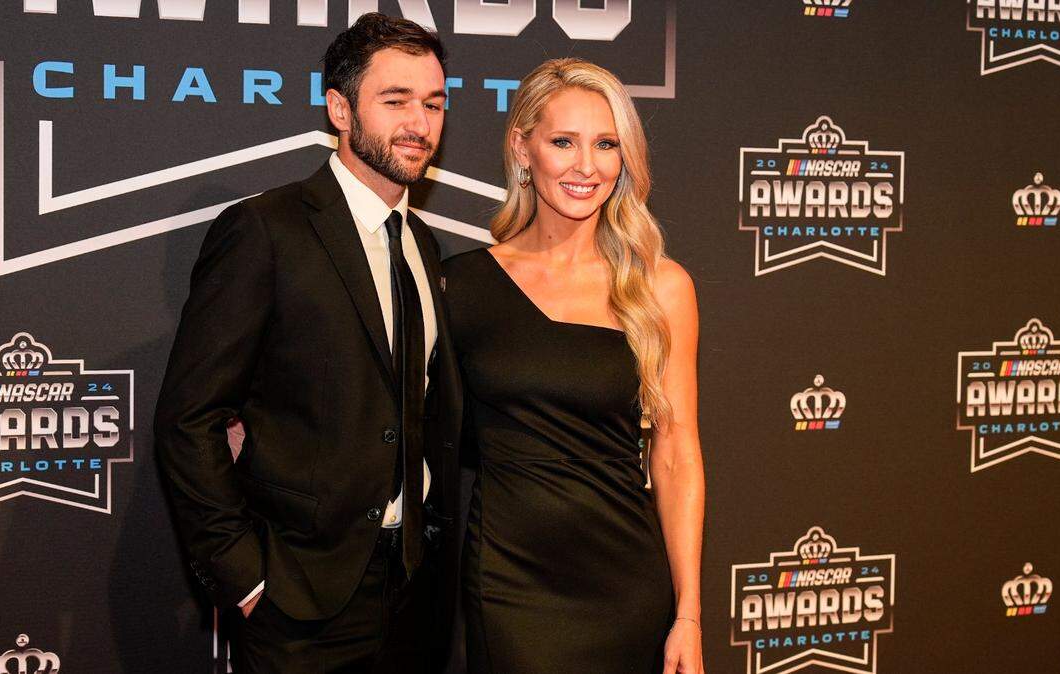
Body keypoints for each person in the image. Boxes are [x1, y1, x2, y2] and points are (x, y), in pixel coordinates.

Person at [153, 14, 462, 673]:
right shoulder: (266, 231)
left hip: (413, 592)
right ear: (339, 109)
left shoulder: (422, 245)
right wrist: (243, 575)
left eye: (434, 103)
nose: (420, 123)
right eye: (396, 100)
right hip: (297, 601)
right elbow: (189, 419)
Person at [443, 58, 706, 674]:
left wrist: (687, 613)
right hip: (509, 582)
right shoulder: (460, 285)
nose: (586, 166)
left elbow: (676, 451)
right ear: (523, 148)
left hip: (624, 580)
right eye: (564, 142)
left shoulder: (660, 286)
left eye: (606, 144)